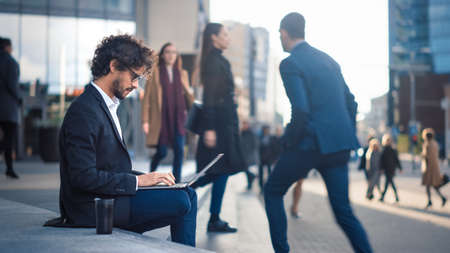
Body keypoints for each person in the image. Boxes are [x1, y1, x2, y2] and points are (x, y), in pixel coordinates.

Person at [52, 35, 197, 246]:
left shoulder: (107, 105)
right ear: (113, 66)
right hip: (92, 207)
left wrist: (149, 178)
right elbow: (82, 177)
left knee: (187, 193)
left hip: (111, 198)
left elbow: (110, 167)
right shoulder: (84, 111)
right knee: (181, 200)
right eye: (134, 77)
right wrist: (138, 182)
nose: (136, 85)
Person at [264, 13, 373, 253]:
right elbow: (351, 103)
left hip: (309, 145)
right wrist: (345, 133)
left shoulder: (290, 63)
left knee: (272, 191)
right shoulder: (329, 60)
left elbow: (301, 110)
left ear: (284, 32)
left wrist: (287, 142)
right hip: (338, 147)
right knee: (343, 212)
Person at [191, 23, 246, 233]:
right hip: (219, 125)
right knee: (218, 170)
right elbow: (210, 96)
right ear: (213, 38)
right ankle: (185, 190)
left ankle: (214, 217)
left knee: (222, 170)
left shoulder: (219, 59)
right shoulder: (214, 61)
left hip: (225, 123)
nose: (228, 38)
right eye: (224, 34)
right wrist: (210, 128)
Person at [141, 42, 194, 183]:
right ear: (163, 55)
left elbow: (188, 96)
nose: (171, 55)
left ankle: (177, 182)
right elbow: (146, 99)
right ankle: (151, 174)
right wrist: (145, 121)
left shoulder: (182, 74)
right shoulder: (155, 73)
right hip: (162, 118)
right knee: (162, 152)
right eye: (168, 52)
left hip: (179, 118)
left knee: (179, 151)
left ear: (177, 56)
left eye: (174, 52)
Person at [0, 37, 21, 179]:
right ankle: (9, 168)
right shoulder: (10, 62)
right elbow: (12, 85)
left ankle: (9, 169)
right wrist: (19, 98)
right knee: (8, 138)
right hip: (7, 107)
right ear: (7, 47)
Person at [421, 128, 448, 208]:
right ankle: (441, 198)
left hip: (429, 168)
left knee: (429, 186)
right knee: (434, 185)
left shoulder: (427, 145)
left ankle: (430, 201)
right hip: (435, 167)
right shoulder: (435, 144)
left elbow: (426, 157)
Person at [379, 134, 402, 202]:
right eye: (387, 140)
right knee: (389, 183)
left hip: (392, 169)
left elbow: (396, 159)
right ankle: (395, 197)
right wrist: (381, 168)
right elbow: (381, 161)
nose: (388, 142)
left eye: (389, 140)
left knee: (389, 183)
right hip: (386, 169)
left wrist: (400, 168)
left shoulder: (393, 150)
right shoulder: (383, 150)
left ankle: (383, 197)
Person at [240, 120, 258, 190]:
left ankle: (250, 182)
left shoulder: (251, 133)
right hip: (243, 154)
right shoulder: (241, 132)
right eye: (243, 124)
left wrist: (249, 151)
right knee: (245, 169)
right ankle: (250, 180)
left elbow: (254, 144)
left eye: (245, 124)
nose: (244, 126)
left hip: (249, 155)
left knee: (247, 169)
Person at [258, 125, 276, 192]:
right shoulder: (259, 137)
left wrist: (273, 158)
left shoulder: (272, 138)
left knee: (269, 173)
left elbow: (274, 148)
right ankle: (261, 187)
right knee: (261, 174)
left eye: (267, 129)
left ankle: (268, 186)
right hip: (261, 158)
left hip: (269, 158)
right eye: (265, 129)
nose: (266, 131)